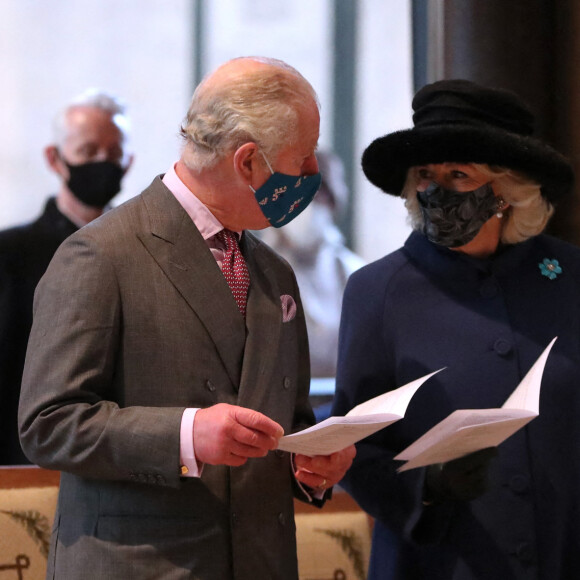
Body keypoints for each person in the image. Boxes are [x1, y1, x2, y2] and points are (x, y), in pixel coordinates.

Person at [18, 56, 355, 580]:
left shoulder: (275, 273)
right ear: (248, 163)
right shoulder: (101, 253)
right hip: (143, 564)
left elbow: (287, 422)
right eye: (303, 157)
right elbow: (48, 424)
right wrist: (185, 434)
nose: (314, 174)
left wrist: (309, 464)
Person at [331, 79, 580, 579]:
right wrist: (428, 486)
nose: (433, 190)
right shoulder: (377, 291)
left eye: (458, 174)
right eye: (425, 173)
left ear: (504, 190)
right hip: (442, 562)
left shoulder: (570, 276)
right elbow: (351, 449)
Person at [0, 89, 133, 465]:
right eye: (89, 152)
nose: (103, 162)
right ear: (54, 158)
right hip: (25, 458)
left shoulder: (142, 248)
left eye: (114, 153)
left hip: (117, 457)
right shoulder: (11, 253)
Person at [259, 150, 365, 379]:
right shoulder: (252, 270)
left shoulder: (353, 274)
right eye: (294, 194)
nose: (305, 206)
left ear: (334, 201)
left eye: (317, 195)